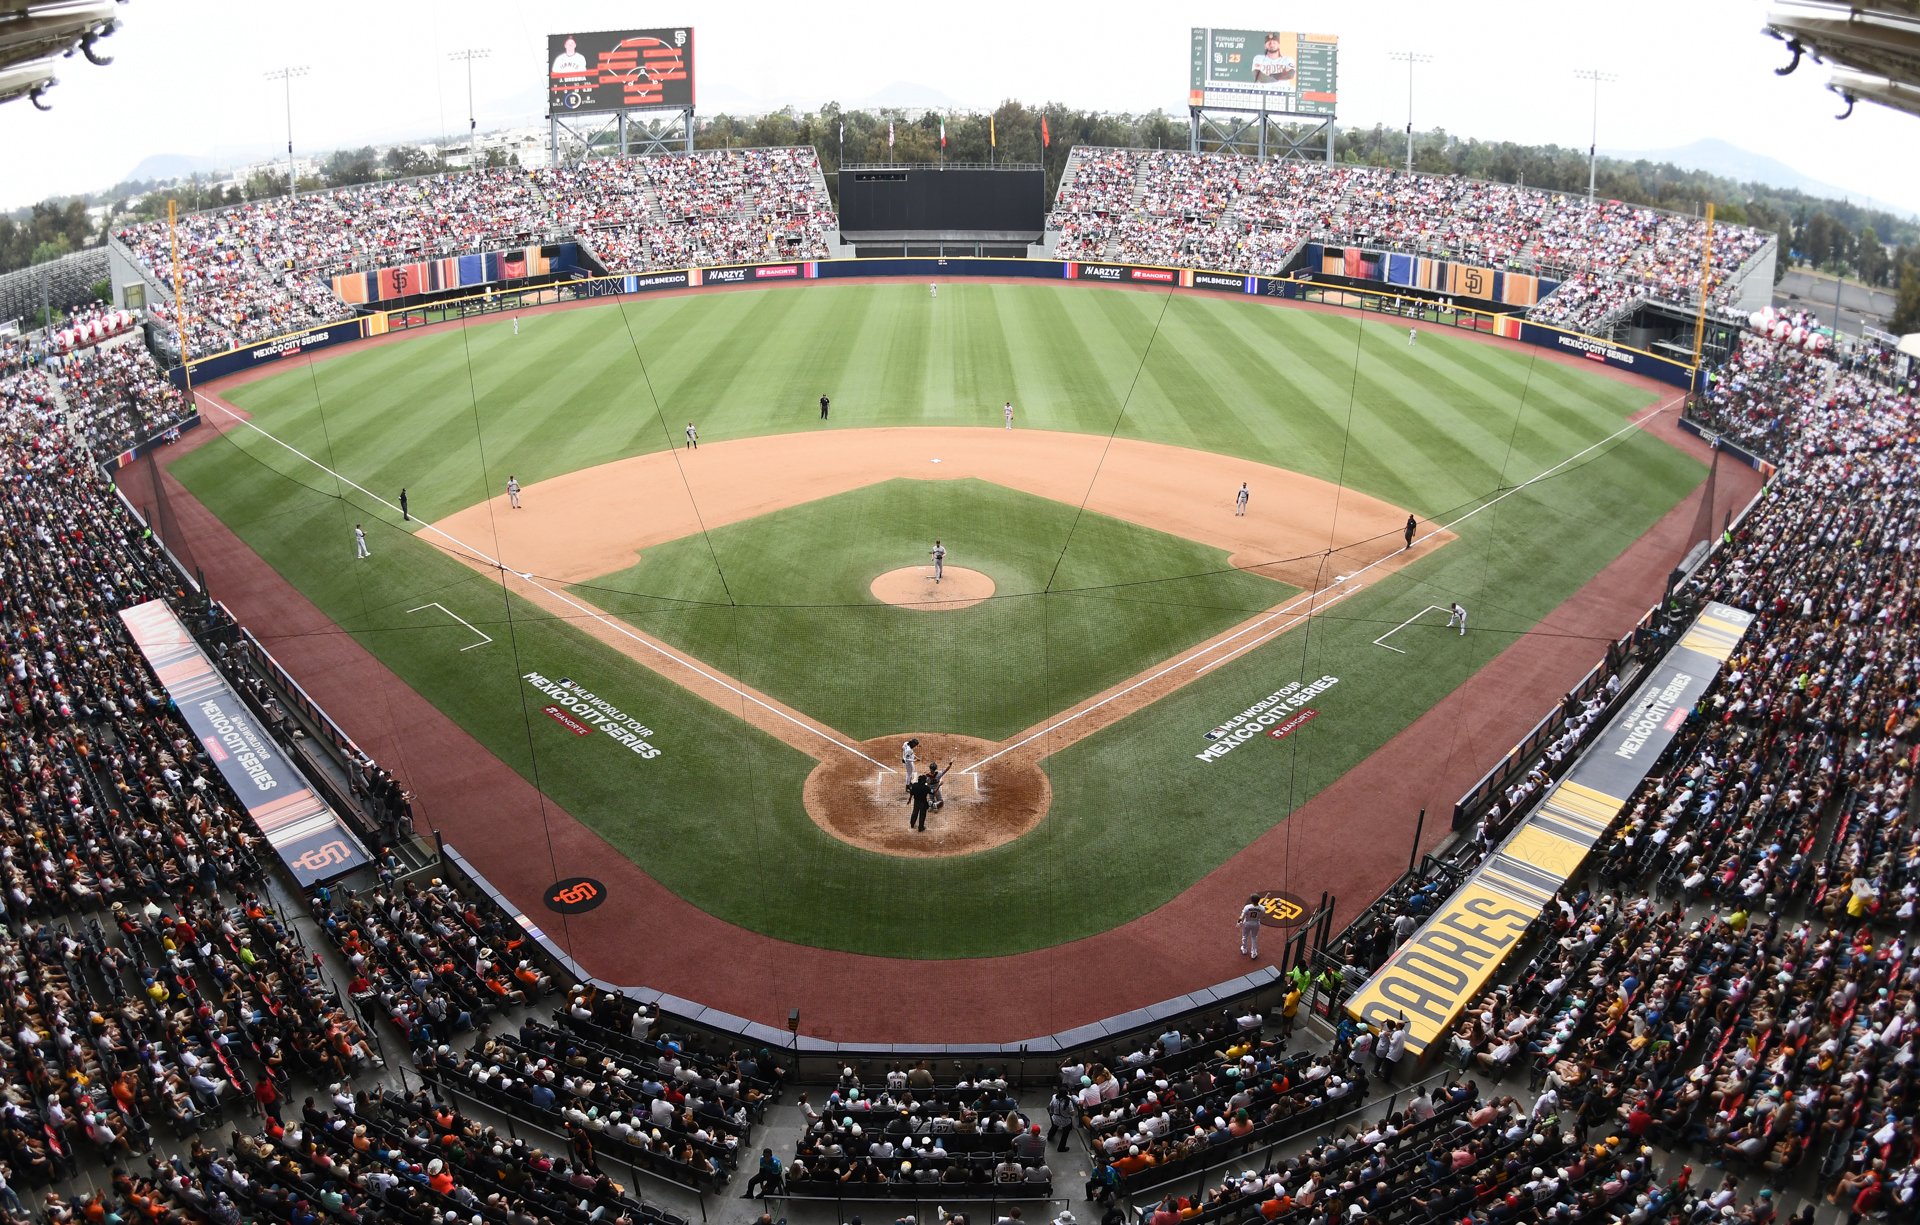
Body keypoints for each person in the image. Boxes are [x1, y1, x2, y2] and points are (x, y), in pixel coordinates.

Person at [1238, 895, 1264, 959]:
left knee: (1245, 936)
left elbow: (1242, 916)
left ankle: (1244, 949)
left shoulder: (1247, 907)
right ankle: (1254, 953)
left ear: (1252, 900)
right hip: (1256, 923)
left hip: (1247, 923)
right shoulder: (1262, 908)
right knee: (1254, 937)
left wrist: (1239, 922)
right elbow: (1263, 916)